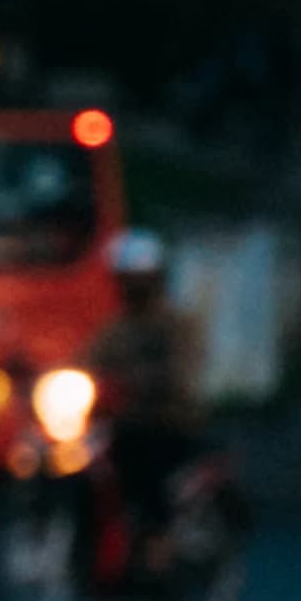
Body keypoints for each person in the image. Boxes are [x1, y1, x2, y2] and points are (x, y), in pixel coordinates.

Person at [94, 227, 201, 547]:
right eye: (125, 277)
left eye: (138, 277)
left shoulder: (176, 323)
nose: (130, 285)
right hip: (123, 420)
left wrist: (152, 380)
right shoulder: (117, 327)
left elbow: (184, 369)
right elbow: (87, 358)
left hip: (167, 421)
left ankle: (160, 541)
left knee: (147, 459)